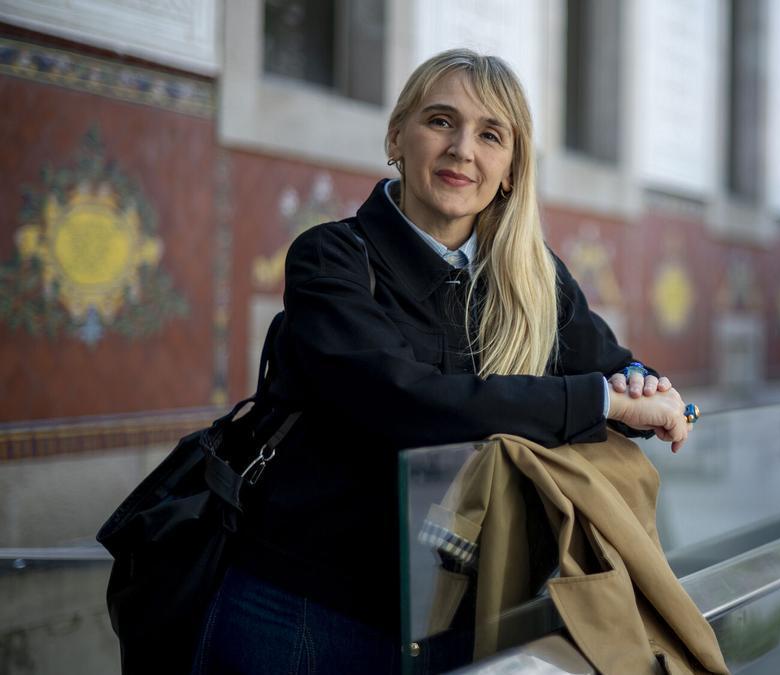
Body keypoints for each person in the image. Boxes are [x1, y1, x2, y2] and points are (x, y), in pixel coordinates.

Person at [191, 49, 697, 674]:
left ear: (510, 169)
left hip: (460, 617)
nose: (462, 150)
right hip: (302, 615)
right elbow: (404, 402)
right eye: (440, 121)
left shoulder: (536, 279)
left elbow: (614, 367)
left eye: (491, 135)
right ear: (396, 138)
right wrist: (600, 400)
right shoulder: (330, 258)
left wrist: (649, 390)